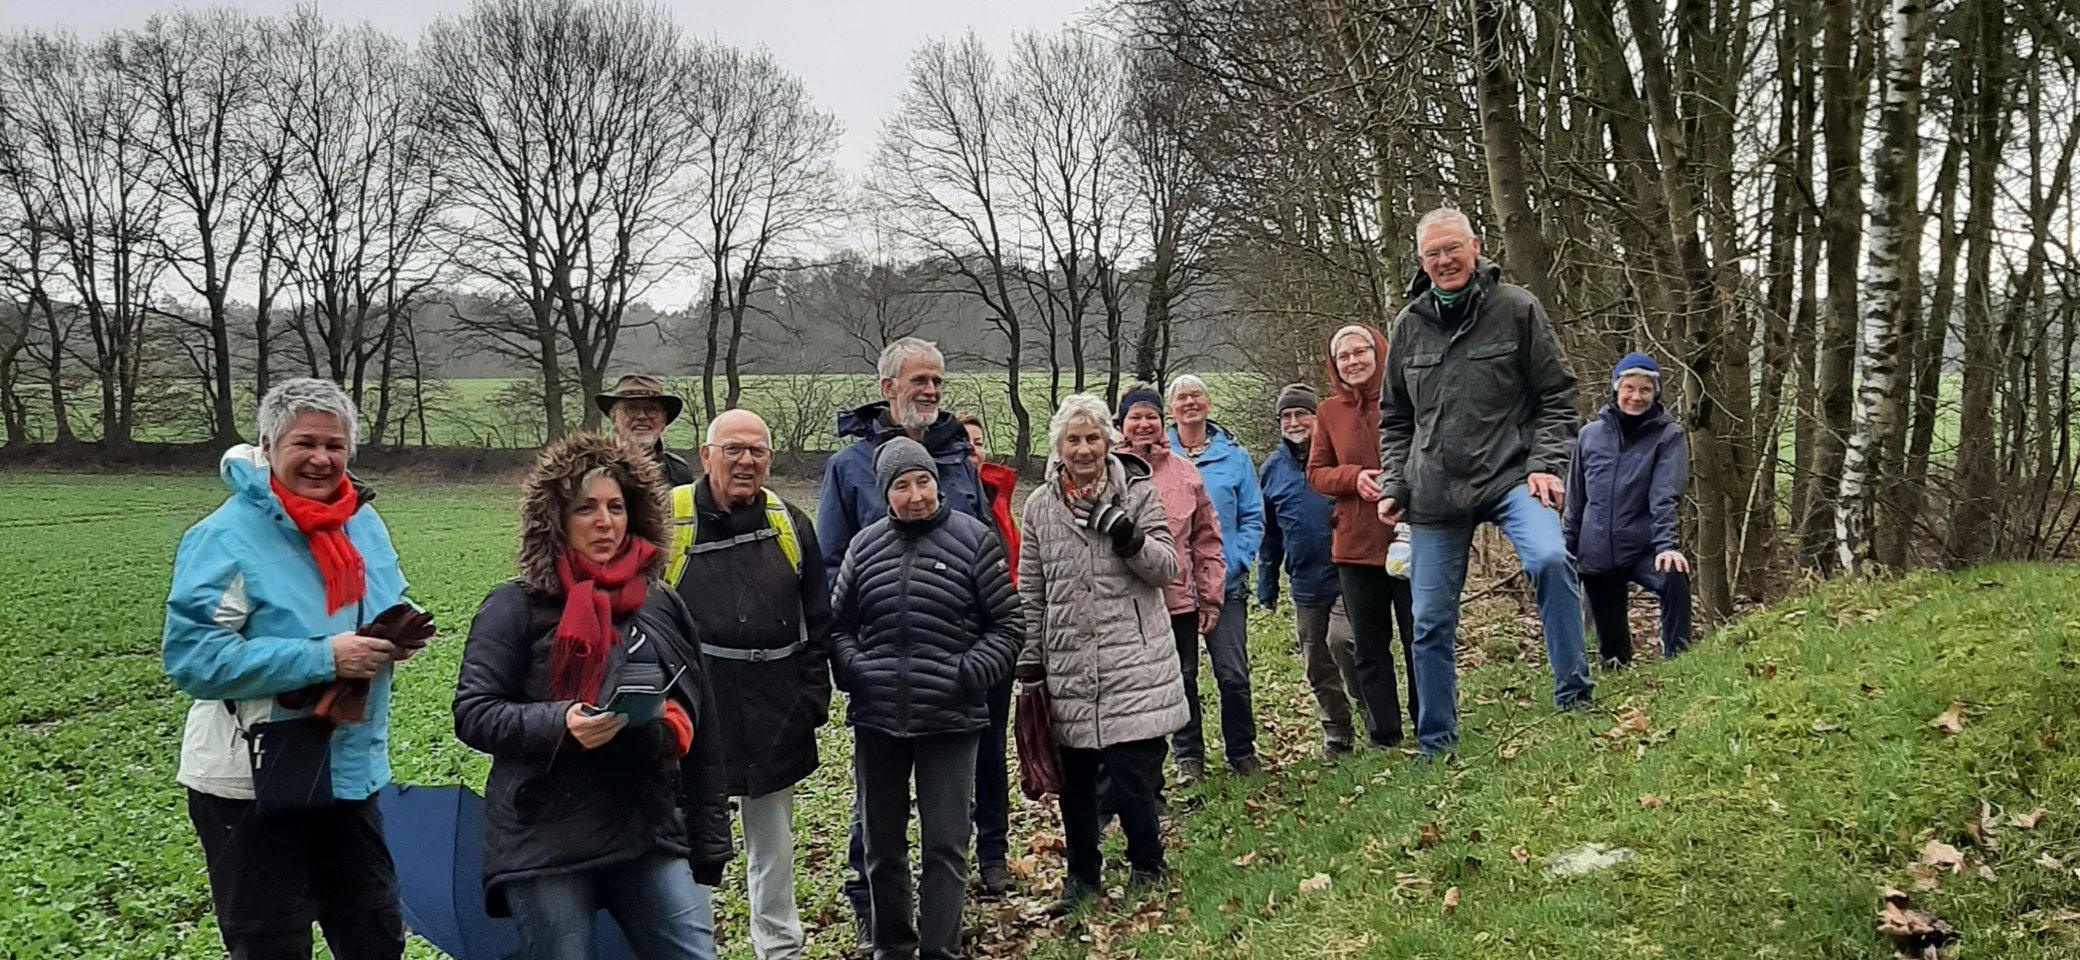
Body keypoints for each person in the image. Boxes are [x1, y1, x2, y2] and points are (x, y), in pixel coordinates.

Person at [453, 433, 732, 960]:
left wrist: (706, 829)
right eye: (586, 508)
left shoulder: (659, 603)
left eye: (616, 507)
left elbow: (704, 716)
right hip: (545, 833)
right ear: (555, 519)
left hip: (644, 824)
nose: (605, 522)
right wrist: (561, 723)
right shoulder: (513, 606)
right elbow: (474, 712)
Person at [164, 377, 414, 960]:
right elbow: (193, 658)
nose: (322, 458)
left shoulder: (363, 523)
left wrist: (392, 635)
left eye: (335, 445)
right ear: (269, 445)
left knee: (374, 935)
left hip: (347, 768)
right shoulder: (224, 537)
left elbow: (384, 601)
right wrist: (324, 657)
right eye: (305, 443)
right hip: (250, 779)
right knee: (271, 944)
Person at [1377, 207, 1591, 756]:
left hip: (1511, 474)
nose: (1444, 261)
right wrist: (1394, 486)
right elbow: (1397, 420)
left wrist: (1547, 463)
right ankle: (1436, 742)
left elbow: (1557, 397)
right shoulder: (1408, 326)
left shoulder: (1517, 309)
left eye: (1452, 248)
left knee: (1548, 557)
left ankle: (1575, 696)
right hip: (1434, 491)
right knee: (1428, 621)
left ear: (1475, 247)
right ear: (1421, 262)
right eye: (1432, 254)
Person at [818, 338, 994, 938]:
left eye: (938, 381)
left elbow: (990, 565)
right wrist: (857, 666)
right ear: (887, 387)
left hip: (954, 684)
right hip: (882, 688)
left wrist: (974, 666)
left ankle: (947, 929)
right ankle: (876, 923)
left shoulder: (957, 459)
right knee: (876, 827)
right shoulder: (849, 467)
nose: (930, 391)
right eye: (919, 380)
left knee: (954, 822)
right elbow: (829, 571)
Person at [829, 438, 1022, 960]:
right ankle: (892, 946)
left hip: (951, 718)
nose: (915, 495)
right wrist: (856, 671)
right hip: (878, 719)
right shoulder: (864, 547)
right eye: (901, 485)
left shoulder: (974, 541)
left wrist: (967, 673)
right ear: (884, 493)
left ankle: (941, 949)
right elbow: (839, 626)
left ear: (936, 484)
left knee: (945, 846)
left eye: (923, 482)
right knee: (881, 847)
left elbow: (1007, 626)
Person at [665, 409, 831, 960]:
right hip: (694, 709)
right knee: (694, 841)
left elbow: (818, 620)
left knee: (774, 844)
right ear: (705, 455)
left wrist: (811, 699)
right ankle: (692, 947)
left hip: (775, 706)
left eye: (757, 451)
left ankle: (778, 947)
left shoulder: (791, 524)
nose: (746, 461)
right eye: (733, 449)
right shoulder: (671, 522)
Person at [1015, 394, 1187, 915]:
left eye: (1093, 438)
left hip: (1131, 658)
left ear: (1109, 440)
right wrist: (1030, 657)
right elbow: (1030, 588)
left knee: (1132, 776)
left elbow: (1167, 569)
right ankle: (1082, 878)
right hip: (1068, 661)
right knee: (1077, 782)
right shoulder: (1040, 507)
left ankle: (1147, 865)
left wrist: (1126, 534)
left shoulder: (1136, 490)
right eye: (1074, 439)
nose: (1084, 449)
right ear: (1059, 448)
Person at [1306, 324, 1418, 748]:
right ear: (1335, 365)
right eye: (1344, 356)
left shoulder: (1405, 398)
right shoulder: (1328, 412)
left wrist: (1401, 484)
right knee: (1369, 645)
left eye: (1361, 352)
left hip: (1410, 536)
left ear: (1379, 353)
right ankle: (1384, 733)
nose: (1353, 362)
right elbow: (1316, 473)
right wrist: (1355, 479)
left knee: (1417, 638)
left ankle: (1429, 723)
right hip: (1354, 545)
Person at [1116, 384, 1224, 786]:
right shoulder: (1108, 469)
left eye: (1151, 416)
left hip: (1178, 601)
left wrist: (1210, 597)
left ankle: (1189, 757)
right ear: (1122, 422)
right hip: (1126, 603)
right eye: (1135, 416)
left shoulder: (1184, 472)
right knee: (1135, 687)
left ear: (1162, 422)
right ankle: (1143, 772)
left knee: (1183, 679)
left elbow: (1205, 539)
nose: (1144, 424)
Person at [1564, 353, 1692, 667]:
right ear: (1616, 389)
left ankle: (1679, 662)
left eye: (1645, 390)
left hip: (1642, 548)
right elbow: (1575, 499)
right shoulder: (1589, 435)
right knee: (1614, 658)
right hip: (1597, 556)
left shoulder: (1668, 435)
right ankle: (1617, 675)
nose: (1636, 396)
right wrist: (1564, 549)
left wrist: (1666, 546)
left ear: (1655, 393)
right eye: (1629, 388)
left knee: (1673, 574)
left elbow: (1664, 494)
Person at [1256, 383, 1363, 760]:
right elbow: (1268, 536)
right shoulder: (1271, 470)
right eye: (1286, 416)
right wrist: (1266, 588)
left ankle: (1373, 713)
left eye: (1301, 413)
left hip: (1347, 573)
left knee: (1343, 642)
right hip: (1303, 581)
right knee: (1316, 662)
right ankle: (1338, 732)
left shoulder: (1339, 455)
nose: (1294, 421)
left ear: (1317, 418)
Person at [1165, 375, 1264, 775]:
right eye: (1181, 397)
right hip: (1175, 590)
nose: (1190, 403)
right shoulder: (1157, 457)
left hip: (1227, 586)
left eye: (1196, 395)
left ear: (1208, 402)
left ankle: (1241, 750)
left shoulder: (1234, 457)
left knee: (1233, 673)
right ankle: (1188, 757)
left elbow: (1254, 516)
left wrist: (1236, 561)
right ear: (1171, 409)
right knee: (1181, 677)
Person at [957, 411, 1019, 896]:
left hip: (998, 641)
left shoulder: (999, 495)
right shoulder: (942, 498)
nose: (972, 450)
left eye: (978, 442)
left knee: (992, 749)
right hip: (950, 643)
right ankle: (951, 852)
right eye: (964, 443)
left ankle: (993, 852)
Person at [598, 374, 697, 487]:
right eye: (632, 408)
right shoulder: (594, 468)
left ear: (664, 420)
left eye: (651, 409)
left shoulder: (679, 473)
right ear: (614, 417)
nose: (642, 417)